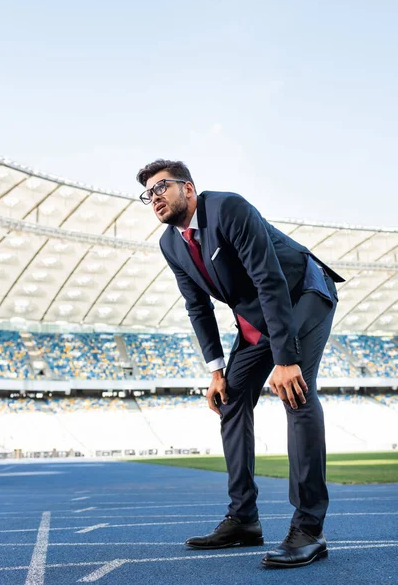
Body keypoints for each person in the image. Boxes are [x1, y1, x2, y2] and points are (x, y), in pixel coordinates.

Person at [137, 159, 344, 568]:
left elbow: (270, 278)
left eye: (161, 187)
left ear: (189, 188)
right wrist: (216, 371)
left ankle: (309, 528)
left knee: (296, 393)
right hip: (255, 319)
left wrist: (286, 359)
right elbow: (197, 305)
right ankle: (244, 519)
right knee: (230, 399)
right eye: (148, 194)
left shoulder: (229, 208)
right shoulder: (170, 243)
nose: (154, 197)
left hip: (301, 294)